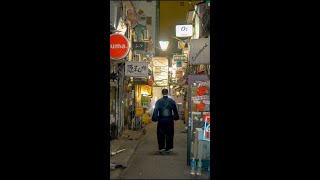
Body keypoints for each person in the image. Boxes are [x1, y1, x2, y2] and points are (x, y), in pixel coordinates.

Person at [152, 89, 179, 153]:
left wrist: (155, 118)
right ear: (168, 93)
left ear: (162, 93)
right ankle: (168, 147)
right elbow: (175, 110)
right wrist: (175, 117)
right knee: (169, 133)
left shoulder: (158, 101)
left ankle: (161, 147)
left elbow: (156, 111)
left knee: (161, 133)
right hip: (169, 119)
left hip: (161, 119)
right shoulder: (172, 101)